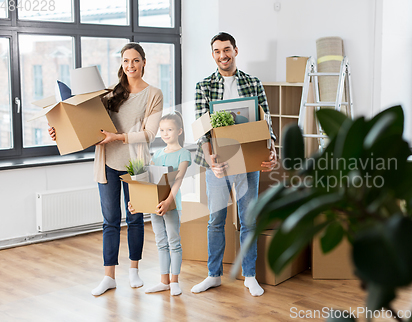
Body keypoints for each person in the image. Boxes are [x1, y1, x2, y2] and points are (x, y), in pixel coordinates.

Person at [48, 42, 163, 296]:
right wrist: (60, 131)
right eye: (125, 61)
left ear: (144, 62)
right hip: (108, 164)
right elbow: (86, 123)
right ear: (121, 64)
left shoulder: (154, 93)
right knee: (110, 221)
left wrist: (118, 137)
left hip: (136, 165)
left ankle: (134, 270)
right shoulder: (110, 93)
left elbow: (150, 134)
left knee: (134, 219)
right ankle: (108, 276)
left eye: (135, 60)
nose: (130, 65)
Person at [191, 32, 277, 297]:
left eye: (226, 50)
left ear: (236, 51)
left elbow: (266, 120)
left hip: (248, 159)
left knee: (248, 220)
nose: (222, 55)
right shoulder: (203, 85)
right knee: (216, 220)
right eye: (217, 51)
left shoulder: (252, 82)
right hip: (218, 161)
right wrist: (210, 160)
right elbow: (201, 129)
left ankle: (249, 276)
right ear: (213, 54)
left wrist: (272, 148)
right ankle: (213, 275)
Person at [128, 112, 191, 296]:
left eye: (169, 130)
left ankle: (175, 281)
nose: (165, 133)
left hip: (170, 206)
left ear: (179, 131)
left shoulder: (184, 154)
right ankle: (163, 281)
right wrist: (136, 202)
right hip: (155, 207)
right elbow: (149, 181)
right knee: (161, 242)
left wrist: (168, 201)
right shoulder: (157, 154)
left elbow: (178, 181)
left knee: (174, 242)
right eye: (162, 130)